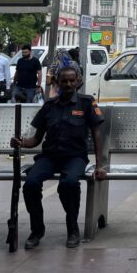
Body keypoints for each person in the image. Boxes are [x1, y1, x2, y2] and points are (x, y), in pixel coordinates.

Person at [11, 65, 106, 249]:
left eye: (72, 80)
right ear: (57, 83)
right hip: (49, 157)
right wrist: (21, 142)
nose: (68, 84)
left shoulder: (87, 103)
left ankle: (72, 229)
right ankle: (37, 230)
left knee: (68, 184)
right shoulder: (49, 106)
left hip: (75, 157)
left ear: (78, 82)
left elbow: (97, 134)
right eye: (64, 81)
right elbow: (37, 139)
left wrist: (99, 165)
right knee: (30, 184)